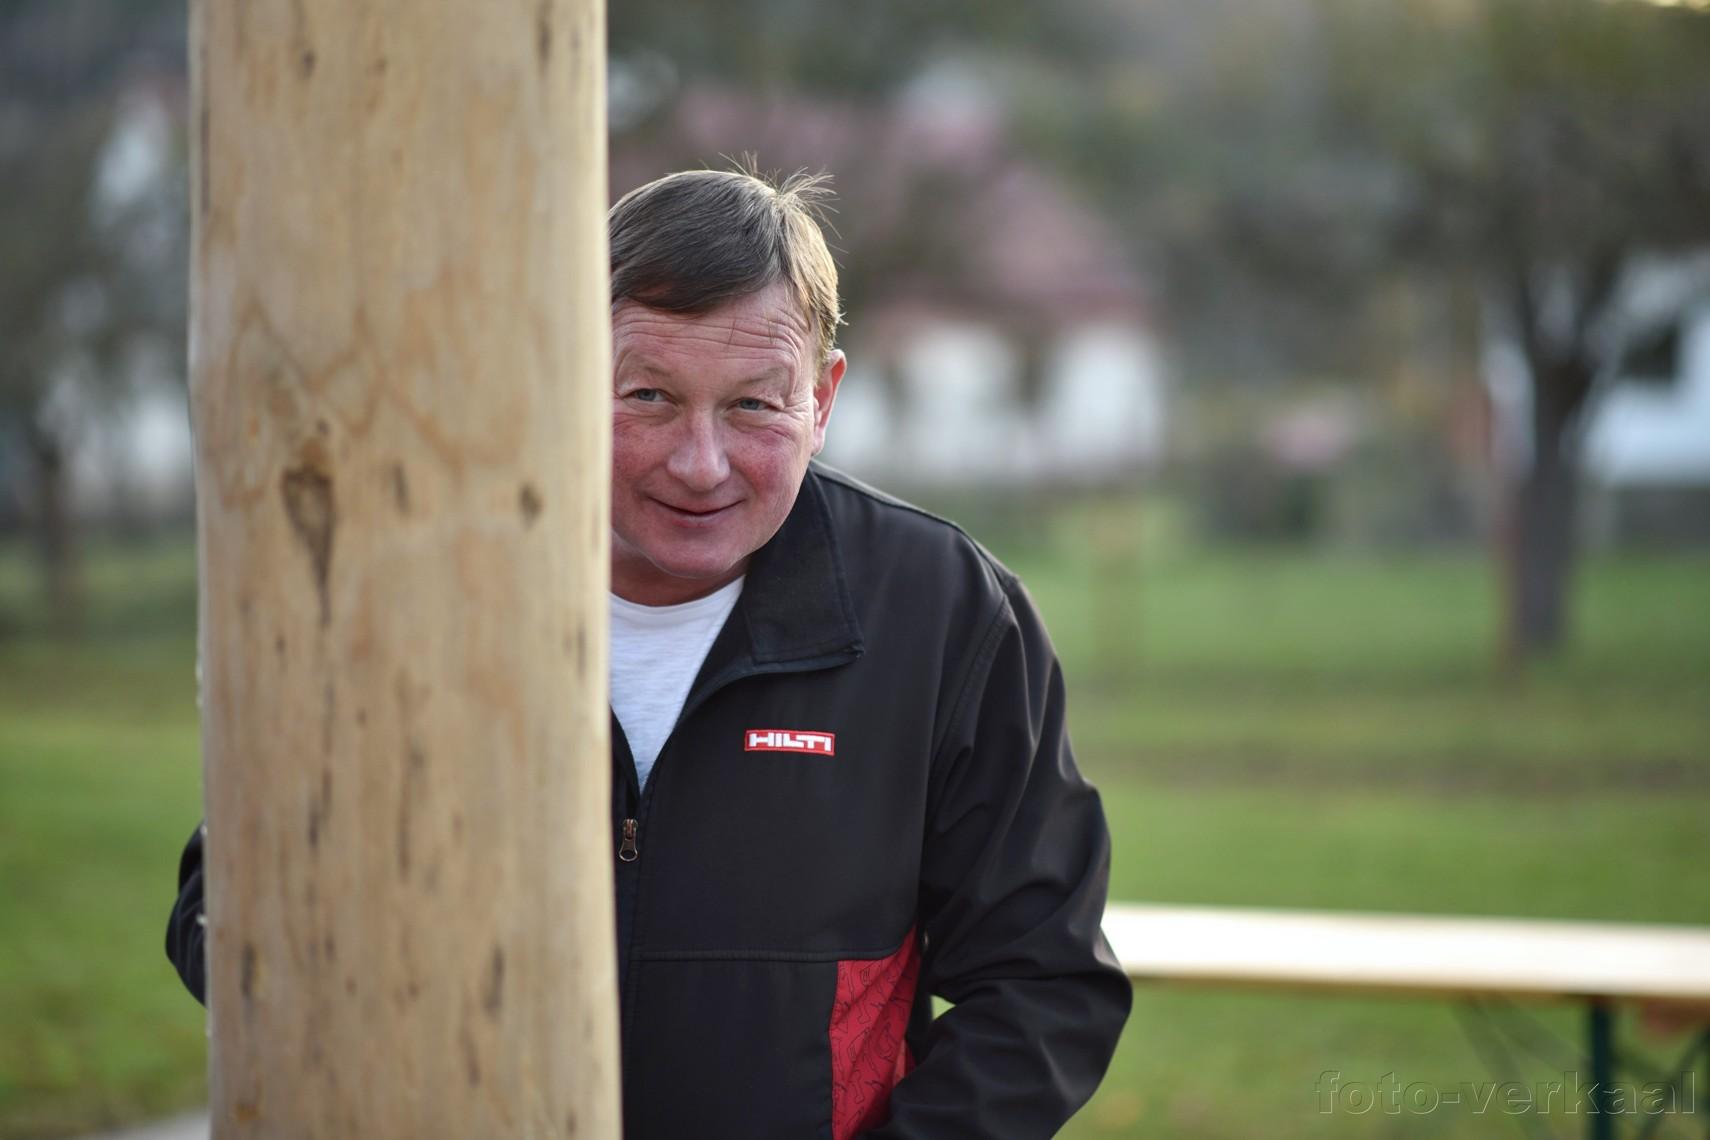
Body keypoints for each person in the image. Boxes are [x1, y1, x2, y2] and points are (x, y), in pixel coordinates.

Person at [167, 166, 1131, 1138]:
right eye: (650, 396)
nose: (700, 464)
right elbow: (227, 918)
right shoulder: (417, 591)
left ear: (822, 399)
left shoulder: (941, 610)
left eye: (754, 407)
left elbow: (1042, 984)